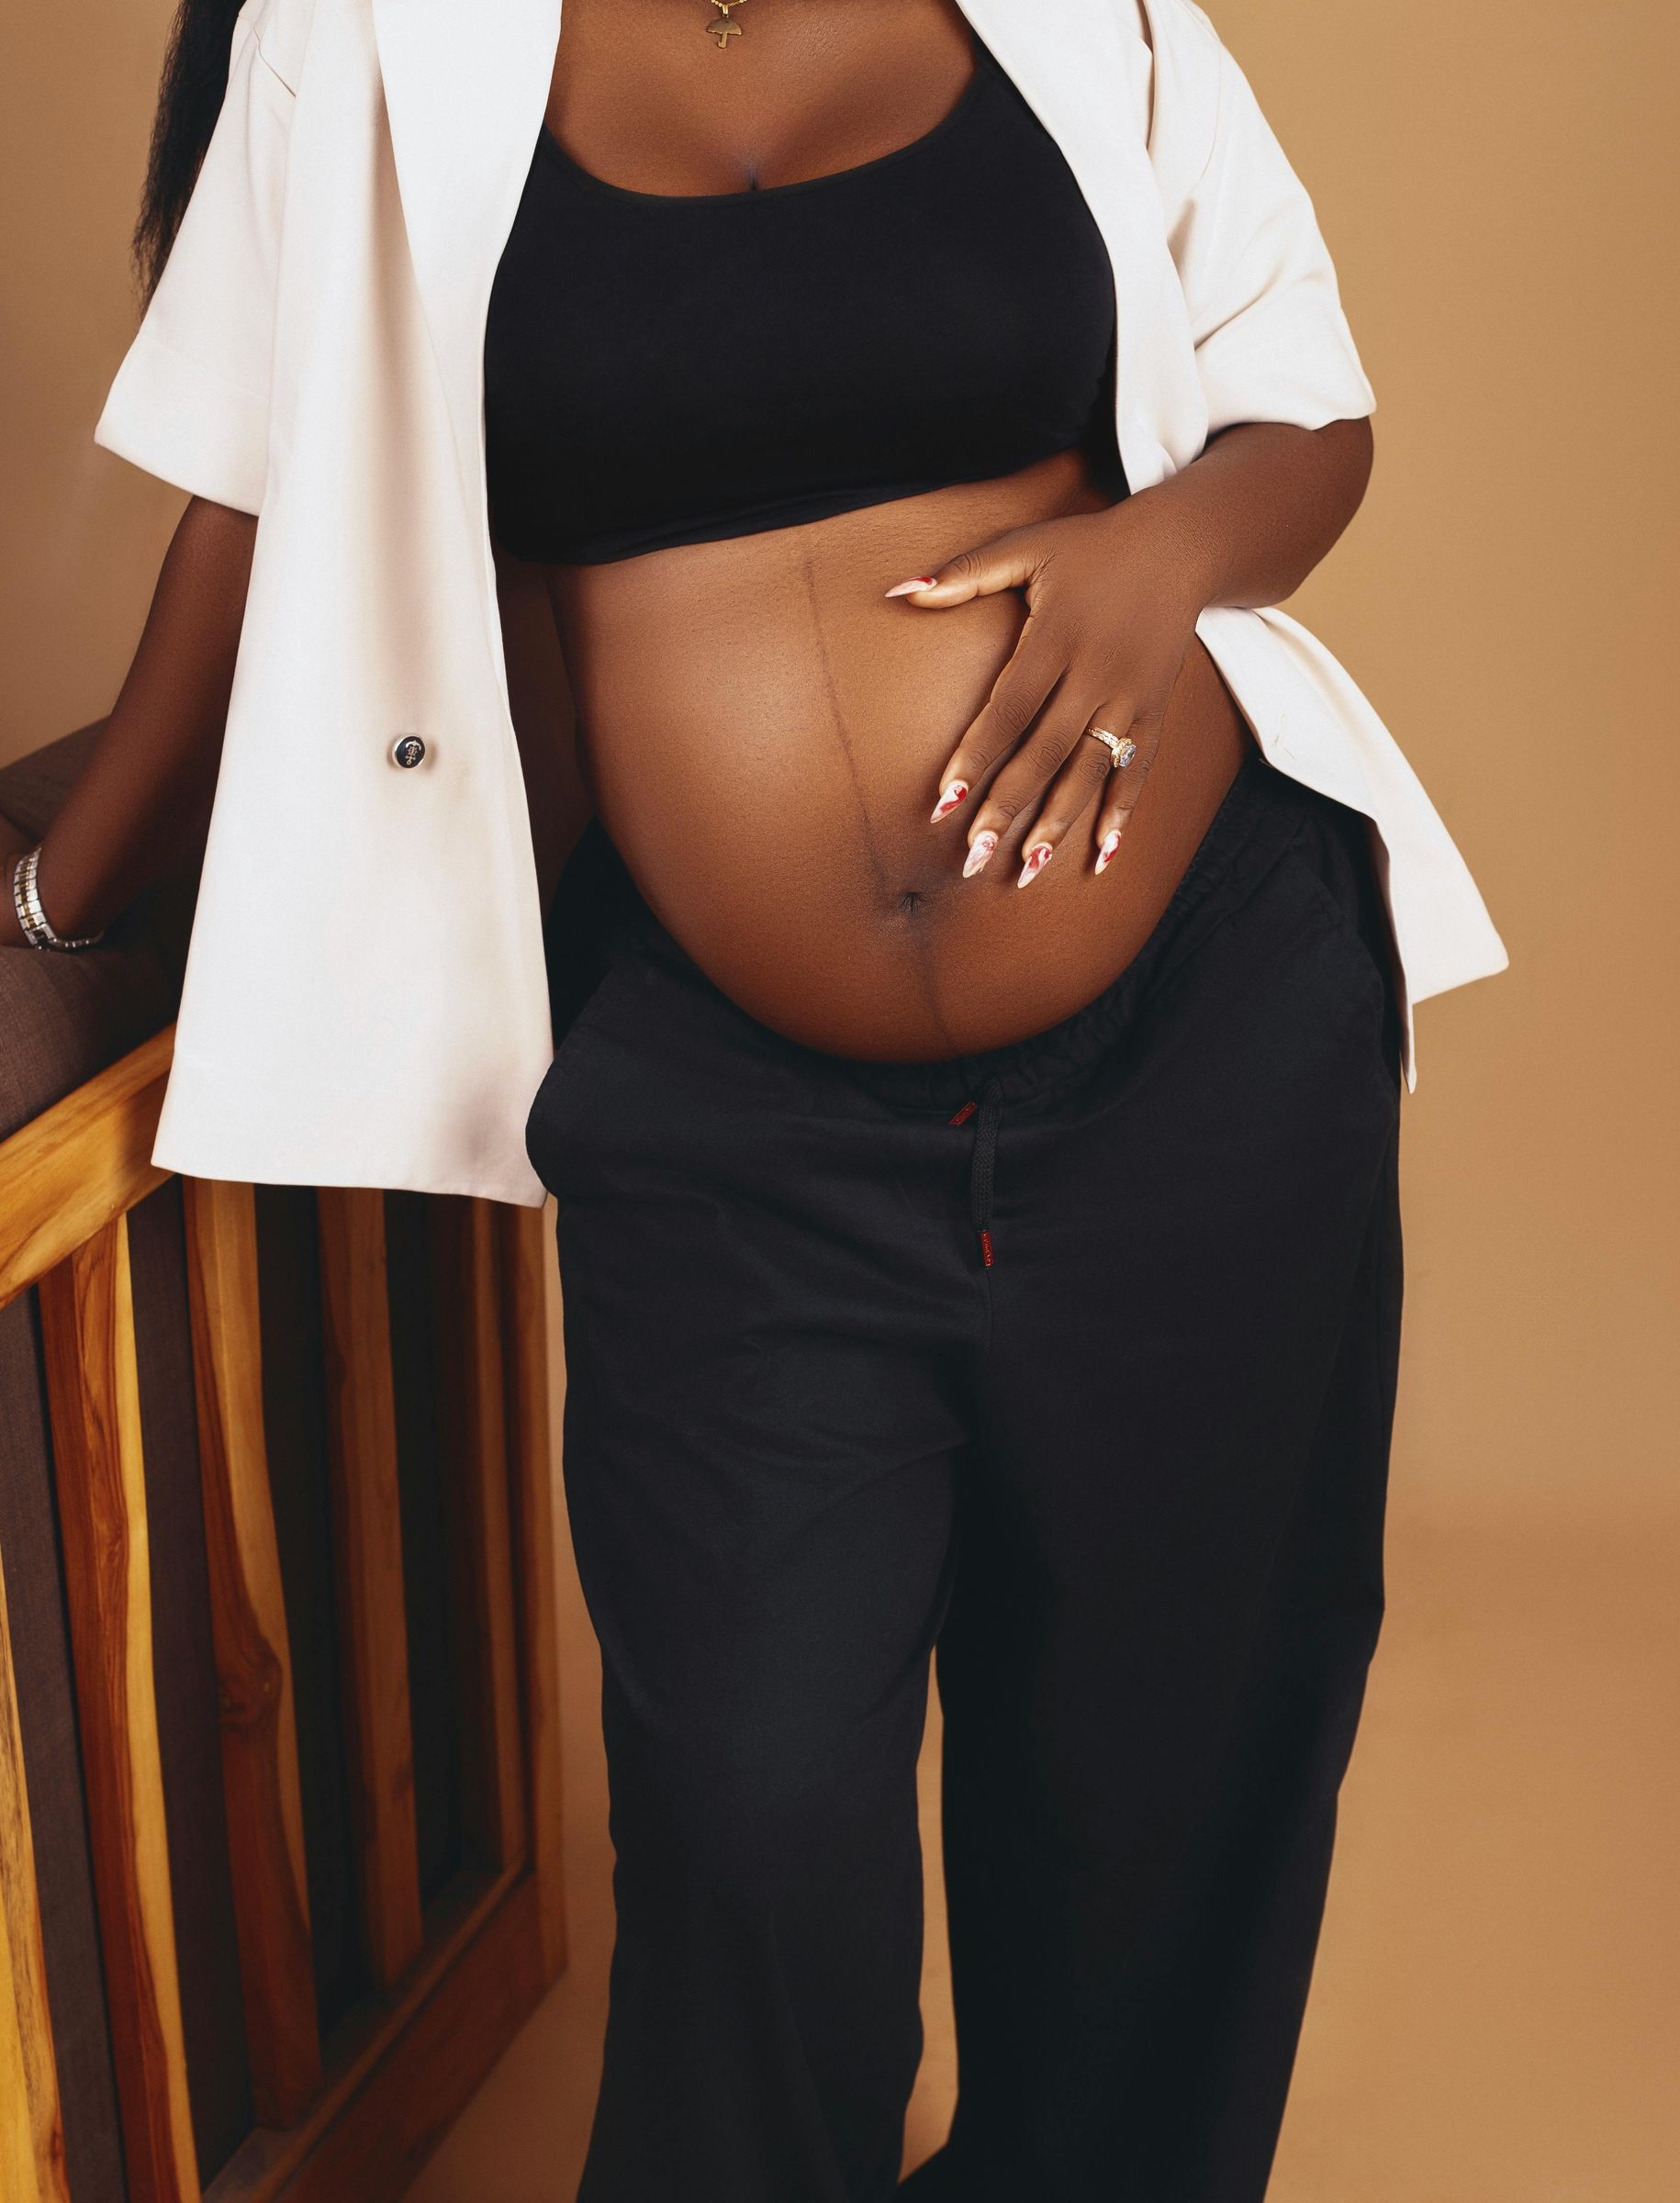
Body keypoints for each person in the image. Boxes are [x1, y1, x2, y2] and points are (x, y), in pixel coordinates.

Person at [3, 0, 1506, 2194]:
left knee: (1174, 1785)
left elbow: (1307, 409)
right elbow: (257, 489)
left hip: (1208, 1023)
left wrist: (1162, 555)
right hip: (726, 1102)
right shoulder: (371, 32)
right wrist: (55, 899)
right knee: (750, 1813)